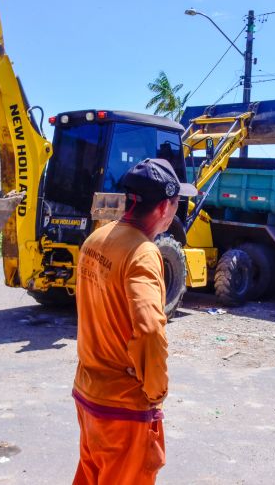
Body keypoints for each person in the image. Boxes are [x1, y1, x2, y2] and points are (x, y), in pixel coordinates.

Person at [72, 158, 197, 485]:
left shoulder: (95, 241)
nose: (176, 211)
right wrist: (156, 390)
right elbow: (149, 329)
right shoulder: (142, 252)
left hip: (88, 395)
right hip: (122, 409)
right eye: (176, 204)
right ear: (164, 207)